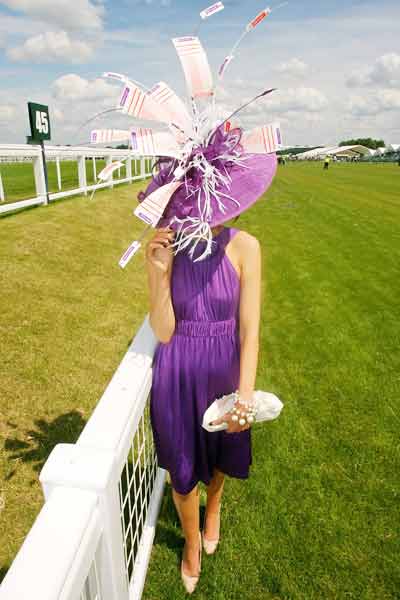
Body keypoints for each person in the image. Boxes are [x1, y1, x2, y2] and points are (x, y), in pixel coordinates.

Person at [139, 124, 278, 594]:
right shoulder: (172, 247)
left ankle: (213, 508)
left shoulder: (246, 247)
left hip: (225, 372)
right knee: (181, 468)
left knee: (219, 456)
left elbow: (250, 328)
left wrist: (244, 394)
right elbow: (162, 330)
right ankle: (192, 542)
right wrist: (158, 274)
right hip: (176, 373)